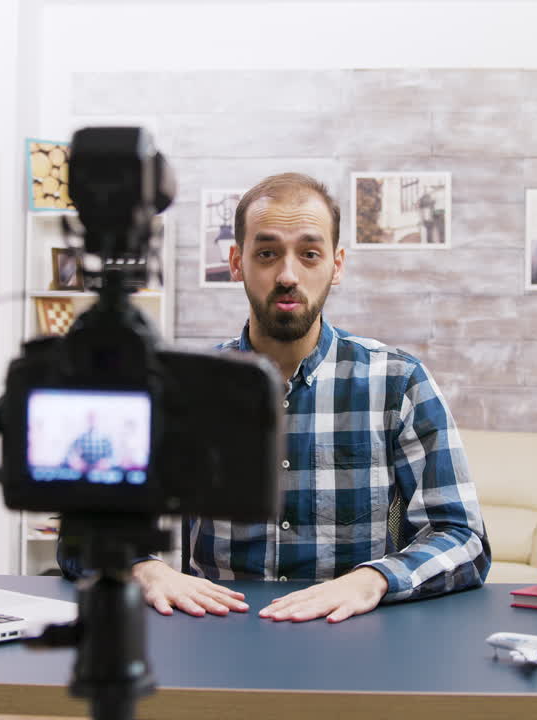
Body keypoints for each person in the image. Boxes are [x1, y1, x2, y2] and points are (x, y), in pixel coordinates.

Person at [131, 172, 490, 624]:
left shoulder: (398, 381)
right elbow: (90, 531)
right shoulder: (184, 386)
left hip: (353, 640)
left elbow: (462, 537)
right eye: (266, 254)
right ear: (237, 262)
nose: (287, 275)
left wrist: (373, 579)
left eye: (309, 254)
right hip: (217, 637)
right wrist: (145, 568)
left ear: (336, 265)